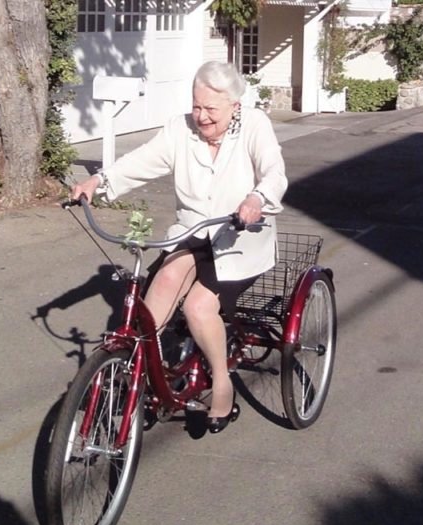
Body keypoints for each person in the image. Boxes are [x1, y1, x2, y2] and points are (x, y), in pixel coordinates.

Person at [71, 61, 288, 433]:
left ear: (234, 105)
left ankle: (221, 382)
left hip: (239, 238)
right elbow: (140, 162)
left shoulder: (254, 125)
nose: (201, 117)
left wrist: (256, 198)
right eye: (196, 106)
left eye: (210, 110)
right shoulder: (180, 130)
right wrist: (98, 181)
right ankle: (138, 371)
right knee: (163, 284)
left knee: (198, 307)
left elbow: (274, 172)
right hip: (192, 231)